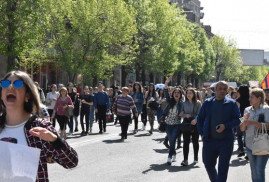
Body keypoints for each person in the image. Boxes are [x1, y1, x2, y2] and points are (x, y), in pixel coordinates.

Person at [0, 70, 78, 181]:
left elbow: (71, 162)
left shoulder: (40, 128)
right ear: (2, 95)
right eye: (5, 84)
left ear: (27, 95)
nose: (10, 87)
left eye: (17, 84)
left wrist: (55, 140)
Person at [197, 81, 241, 182]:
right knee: (208, 164)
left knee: (223, 169)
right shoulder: (208, 103)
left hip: (226, 142)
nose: (222, 91)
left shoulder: (232, 103)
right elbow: (200, 118)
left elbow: (238, 119)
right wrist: (202, 133)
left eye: (224, 89)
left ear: (227, 90)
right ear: (215, 89)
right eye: (220, 88)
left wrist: (225, 126)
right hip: (209, 140)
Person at [240, 88, 269, 182]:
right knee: (253, 170)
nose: (249, 99)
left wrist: (253, 122)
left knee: (259, 170)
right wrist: (244, 121)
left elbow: (268, 126)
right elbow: (241, 128)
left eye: (251, 97)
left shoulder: (266, 109)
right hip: (249, 144)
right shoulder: (246, 110)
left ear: (259, 98)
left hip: (262, 144)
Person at [162, 77, 183, 165]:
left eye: (178, 93)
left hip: (177, 124)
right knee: (171, 140)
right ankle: (174, 153)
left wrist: (183, 113)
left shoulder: (182, 103)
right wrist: (166, 83)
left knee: (173, 139)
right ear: (173, 94)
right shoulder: (170, 101)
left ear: (180, 94)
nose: (176, 94)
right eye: (175, 92)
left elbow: (186, 111)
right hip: (167, 124)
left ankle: (169, 157)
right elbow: (166, 92)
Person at [181, 88, 202, 166]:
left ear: (194, 94)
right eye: (187, 93)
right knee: (185, 142)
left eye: (190, 93)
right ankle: (185, 159)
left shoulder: (198, 103)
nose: (189, 94)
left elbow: (200, 114)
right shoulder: (184, 103)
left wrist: (196, 120)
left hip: (195, 123)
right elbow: (181, 114)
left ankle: (195, 158)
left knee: (195, 141)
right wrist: (185, 115)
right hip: (186, 123)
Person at [236, 85, 250, 158]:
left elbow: (237, 110)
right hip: (249, 118)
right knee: (247, 135)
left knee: (239, 135)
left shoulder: (239, 100)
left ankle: (241, 150)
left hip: (241, 118)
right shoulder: (251, 99)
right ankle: (248, 152)